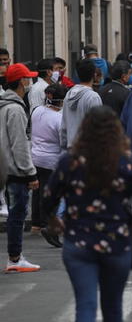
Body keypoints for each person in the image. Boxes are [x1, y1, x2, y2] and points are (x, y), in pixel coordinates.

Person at [42, 106, 132, 322]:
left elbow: (48, 197)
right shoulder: (127, 161)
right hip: (116, 242)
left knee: (85, 304)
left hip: (78, 241)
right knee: (113, 308)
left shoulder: (69, 160)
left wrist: (54, 220)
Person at [0, 63, 41, 273]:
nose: (30, 83)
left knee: (14, 214)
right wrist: (30, 172)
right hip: (16, 170)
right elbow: (20, 144)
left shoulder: (3, 105)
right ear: (21, 82)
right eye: (28, 79)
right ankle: (15, 259)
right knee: (17, 215)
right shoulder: (15, 109)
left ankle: (15, 257)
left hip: (5, 168)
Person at [30, 83, 67, 247]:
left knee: (37, 192)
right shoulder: (59, 119)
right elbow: (63, 142)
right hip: (51, 160)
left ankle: (36, 223)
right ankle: (48, 225)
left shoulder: (37, 110)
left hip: (35, 157)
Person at [60, 59, 103, 150]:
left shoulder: (68, 94)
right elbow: (98, 126)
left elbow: (63, 125)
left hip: (71, 148)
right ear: (94, 74)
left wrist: (64, 145)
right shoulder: (93, 97)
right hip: (88, 150)